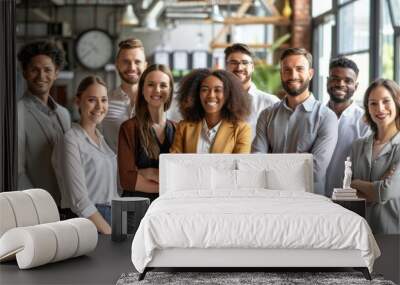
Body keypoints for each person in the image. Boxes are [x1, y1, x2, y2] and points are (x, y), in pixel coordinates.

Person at [252, 48, 338, 195]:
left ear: (310, 74)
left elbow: (315, 172)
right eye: (287, 70)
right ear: (281, 74)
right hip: (270, 200)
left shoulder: (326, 117)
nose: (293, 75)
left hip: (308, 204)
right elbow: (256, 164)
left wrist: (271, 167)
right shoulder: (267, 115)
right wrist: (298, 165)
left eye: (299, 69)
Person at [53, 76, 118, 234]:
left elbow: (111, 190)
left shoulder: (101, 140)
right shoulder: (70, 140)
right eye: (92, 100)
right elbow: (79, 201)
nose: (99, 106)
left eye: (104, 100)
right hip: (87, 222)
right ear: (78, 101)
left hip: (110, 216)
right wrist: (108, 231)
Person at [17, 41, 71, 206]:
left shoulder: (64, 114)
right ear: (25, 72)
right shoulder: (16, 113)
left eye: (47, 70)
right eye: (34, 70)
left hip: (66, 205)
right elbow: (17, 171)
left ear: (56, 73)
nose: (41, 76)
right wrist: (36, 205)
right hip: (35, 207)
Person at [118, 64, 175, 201]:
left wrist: (147, 172)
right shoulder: (129, 128)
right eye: (151, 84)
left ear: (170, 91)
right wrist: (170, 186)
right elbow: (127, 180)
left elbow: (184, 176)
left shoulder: (179, 129)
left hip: (168, 210)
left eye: (163, 85)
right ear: (142, 89)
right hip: (137, 210)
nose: (157, 90)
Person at [350, 79, 400, 234]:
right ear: (367, 108)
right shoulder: (358, 145)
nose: (380, 108)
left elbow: (386, 192)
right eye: (373, 103)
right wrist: (376, 187)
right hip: (359, 233)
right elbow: (347, 191)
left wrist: (357, 183)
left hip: (393, 233)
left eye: (386, 101)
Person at [170, 69, 251, 153]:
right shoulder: (184, 127)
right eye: (205, 90)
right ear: (196, 94)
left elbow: (240, 164)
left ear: (228, 95)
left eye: (218, 90)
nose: (211, 95)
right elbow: (174, 162)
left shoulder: (241, 129)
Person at [325, 57, 370, 196]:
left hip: (347, 200)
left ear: (356, 86)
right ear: (327, 81)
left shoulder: (365, 122)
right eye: (335, 78)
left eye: (348, 80)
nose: (340, 84)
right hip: (313, 198)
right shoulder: (315, 116)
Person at [224, 43, 279, 140]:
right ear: (226, 66)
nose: (239, 68)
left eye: (245, 62)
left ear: (252, 67)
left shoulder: (270, 103)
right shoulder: (218, 100)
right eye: (233, 62)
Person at [102, 38, 147, 153]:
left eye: (137, 62)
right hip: (114, 170)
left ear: (145, 66)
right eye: (126, 61)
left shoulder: (157, 103)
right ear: (117, 65)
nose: (132, 67)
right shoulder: (104, 103)